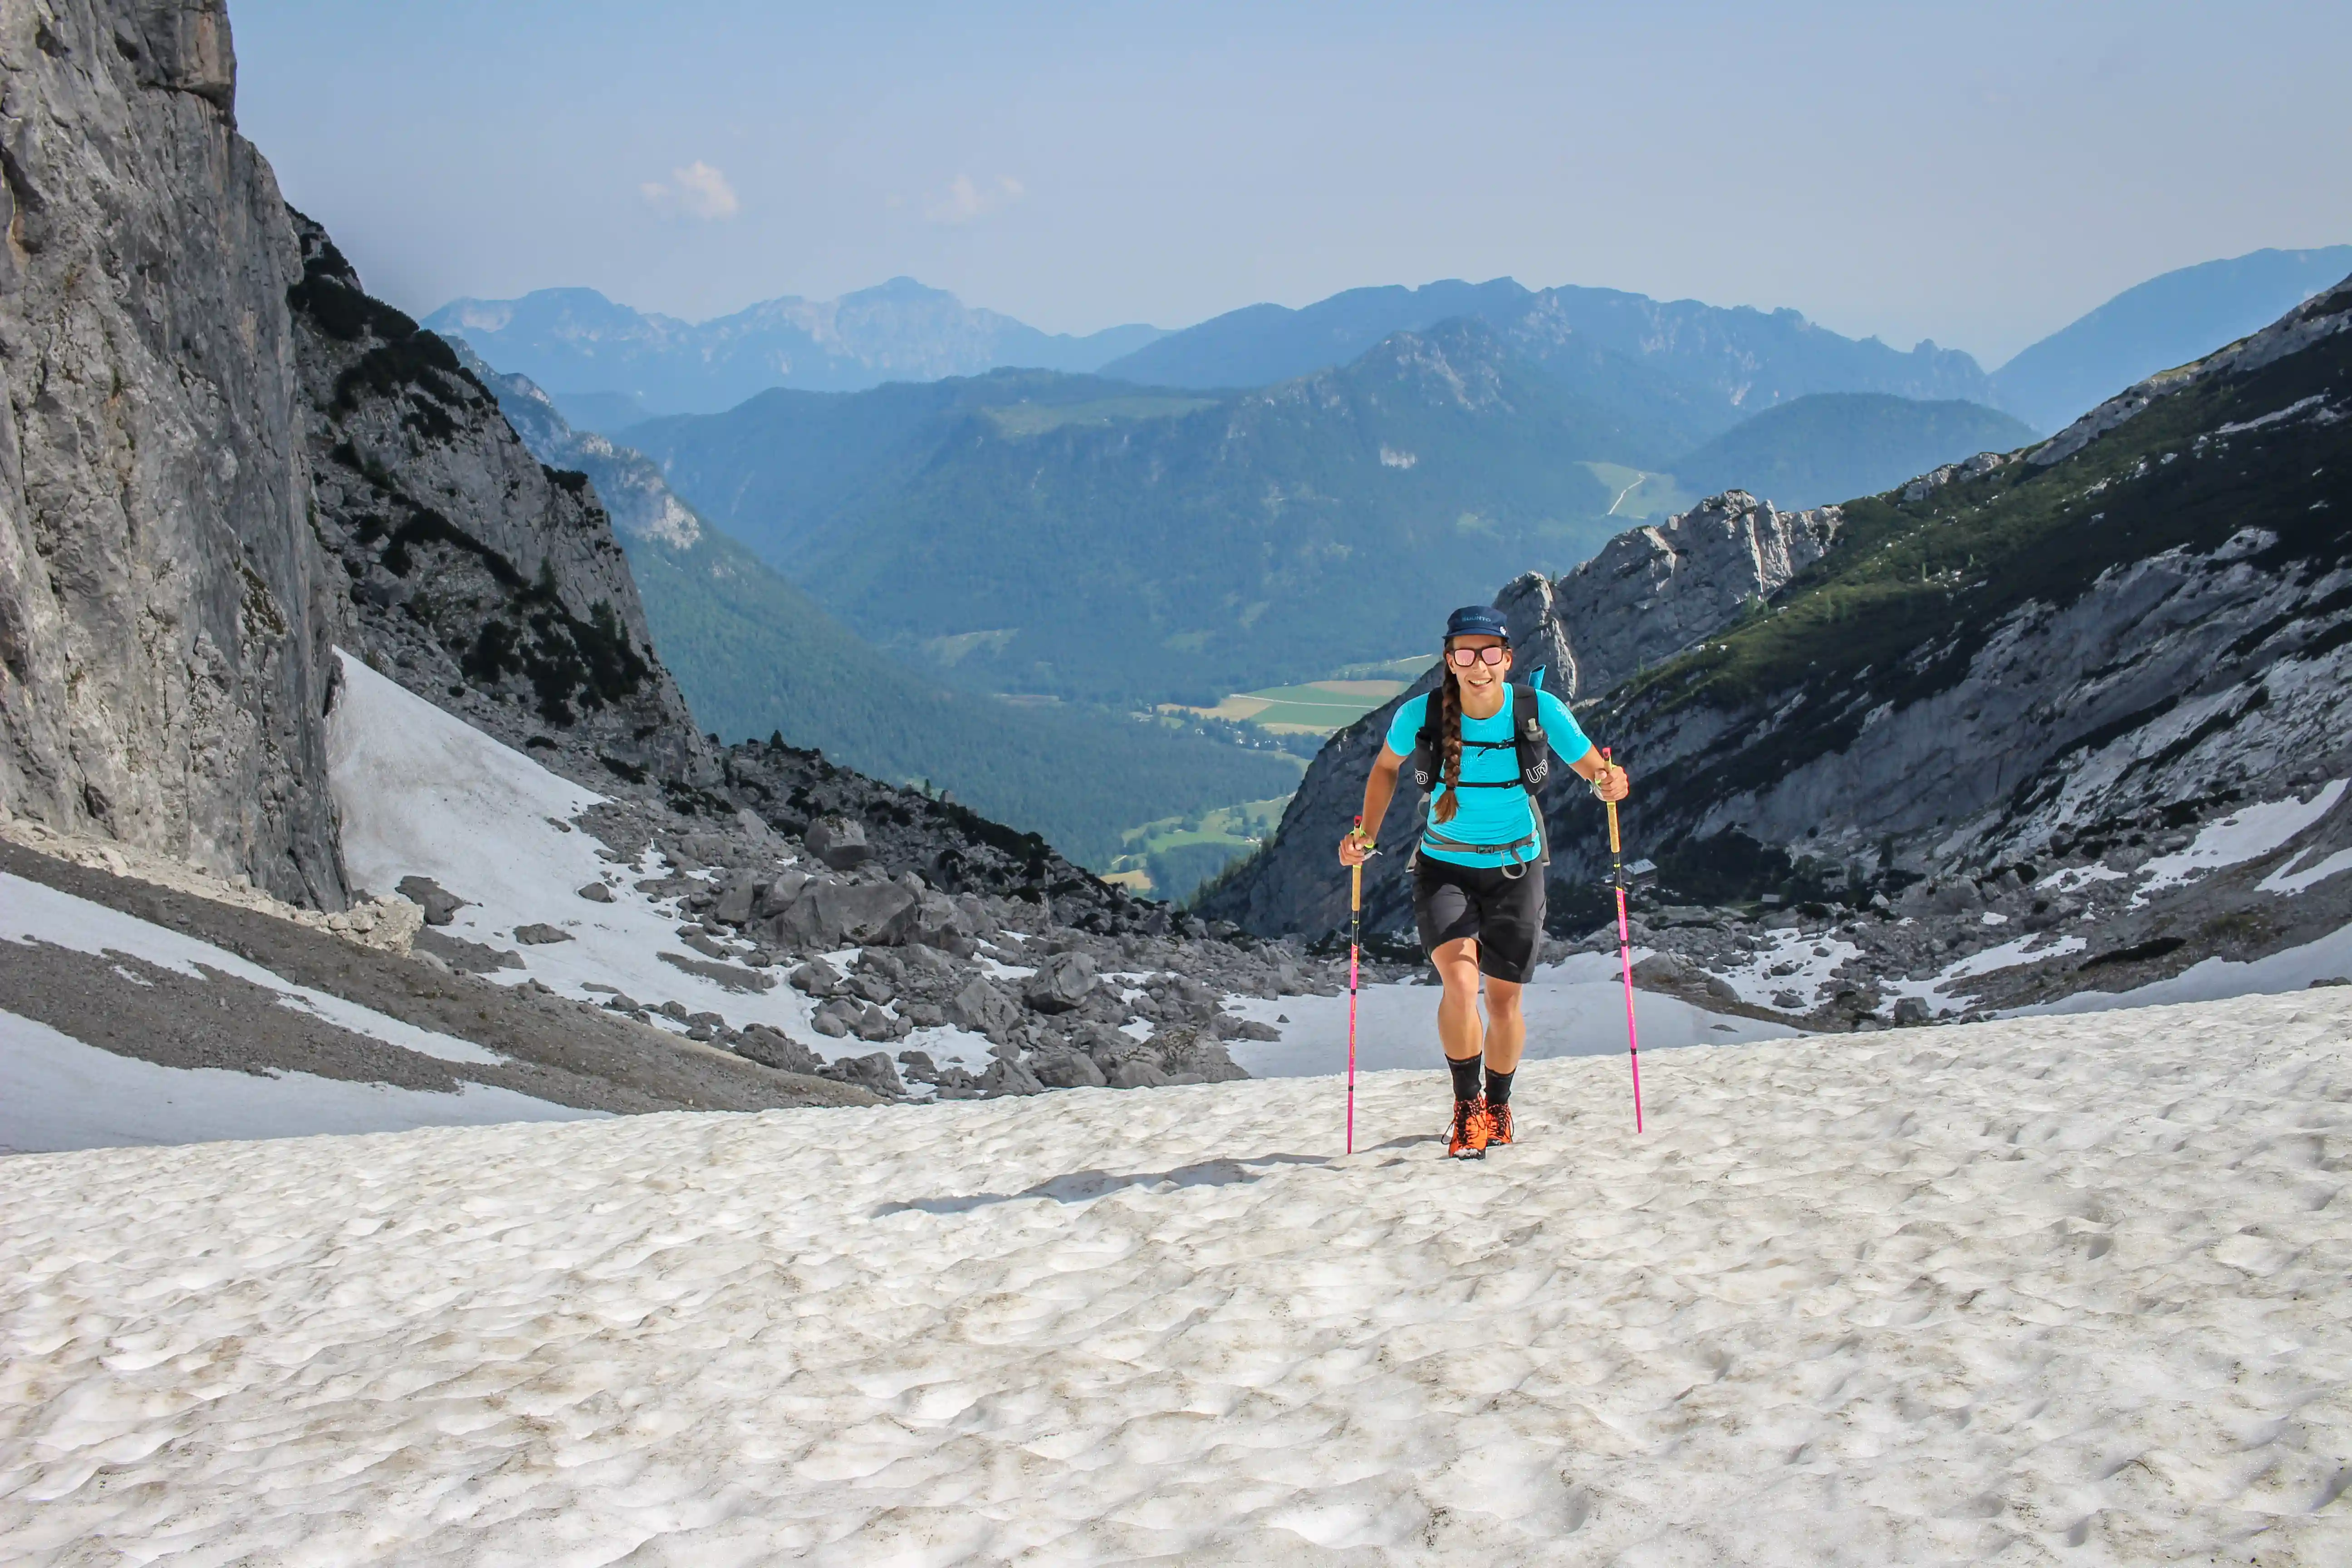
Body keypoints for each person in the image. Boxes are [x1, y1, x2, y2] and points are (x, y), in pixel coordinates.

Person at [1338, 605, 1629, 1159]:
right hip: (1442, 868)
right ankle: (1467, 1108)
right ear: (1449, 661)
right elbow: (1385, 768)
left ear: (1508, 659)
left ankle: (1499, 1106)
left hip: (1517, 870)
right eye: (1466, 654)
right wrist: (1366, 837)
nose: (1479, 665)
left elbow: (1594, 768)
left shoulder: (1537, 710)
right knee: (1460, 983)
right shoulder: (1420, 715)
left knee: (1503, 1002)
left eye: (1490, 652)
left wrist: (1609, 783)